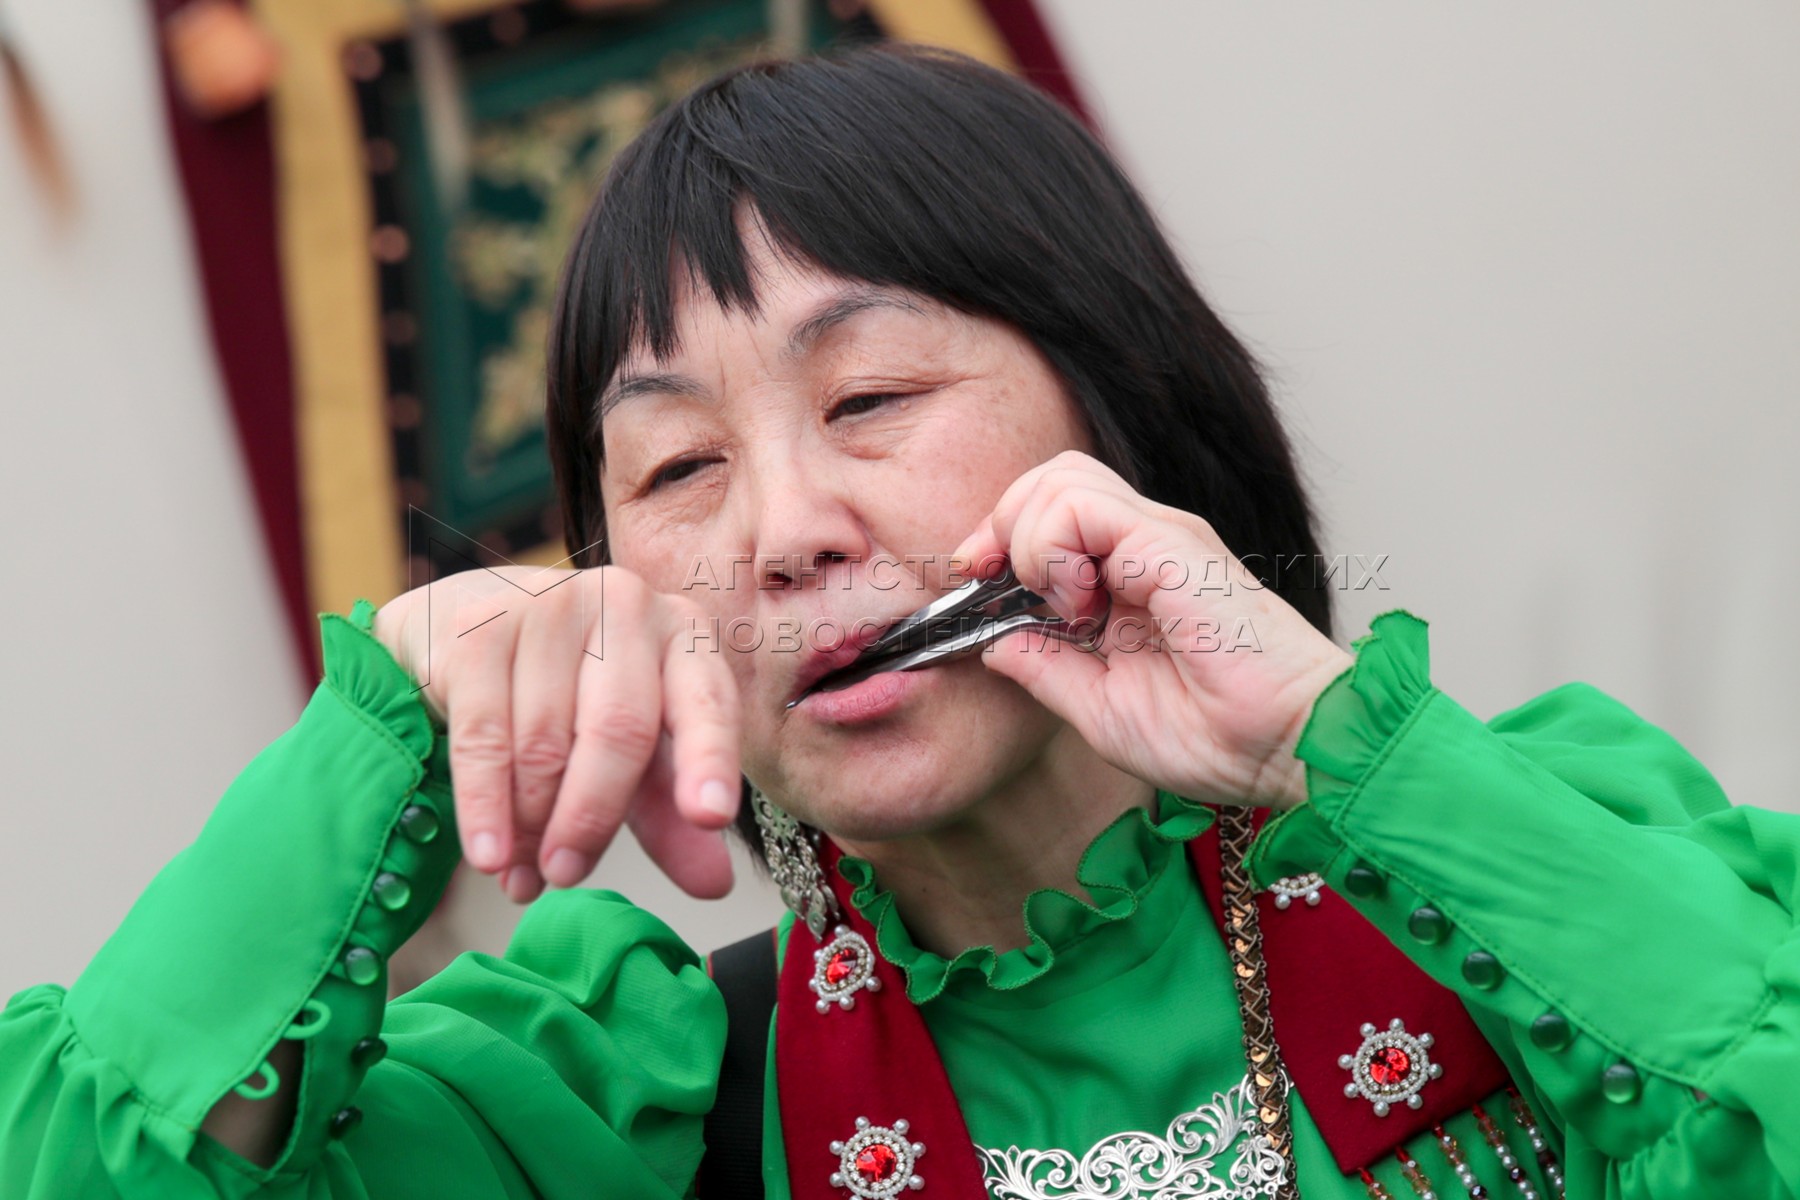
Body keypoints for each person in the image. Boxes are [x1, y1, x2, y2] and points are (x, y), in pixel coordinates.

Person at [2, 43, 1796, 1200]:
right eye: (678, 469)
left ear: (1122, 417)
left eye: (869, 400)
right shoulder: (626, 1099)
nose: (784, 531)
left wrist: (1341, 747)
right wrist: (384, 723)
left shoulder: (1524, 873)